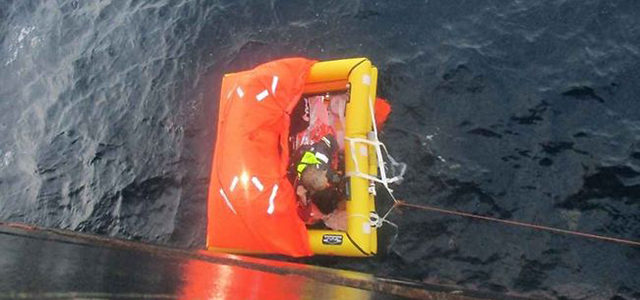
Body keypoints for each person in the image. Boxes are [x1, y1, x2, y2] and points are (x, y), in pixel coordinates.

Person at [293, 134, 344, 227]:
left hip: (317, 150)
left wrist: (337, 148)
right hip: (308, 162)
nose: (327, 182)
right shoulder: (302, 186)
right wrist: (303, 198)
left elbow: (328, 138)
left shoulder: (322, 158)